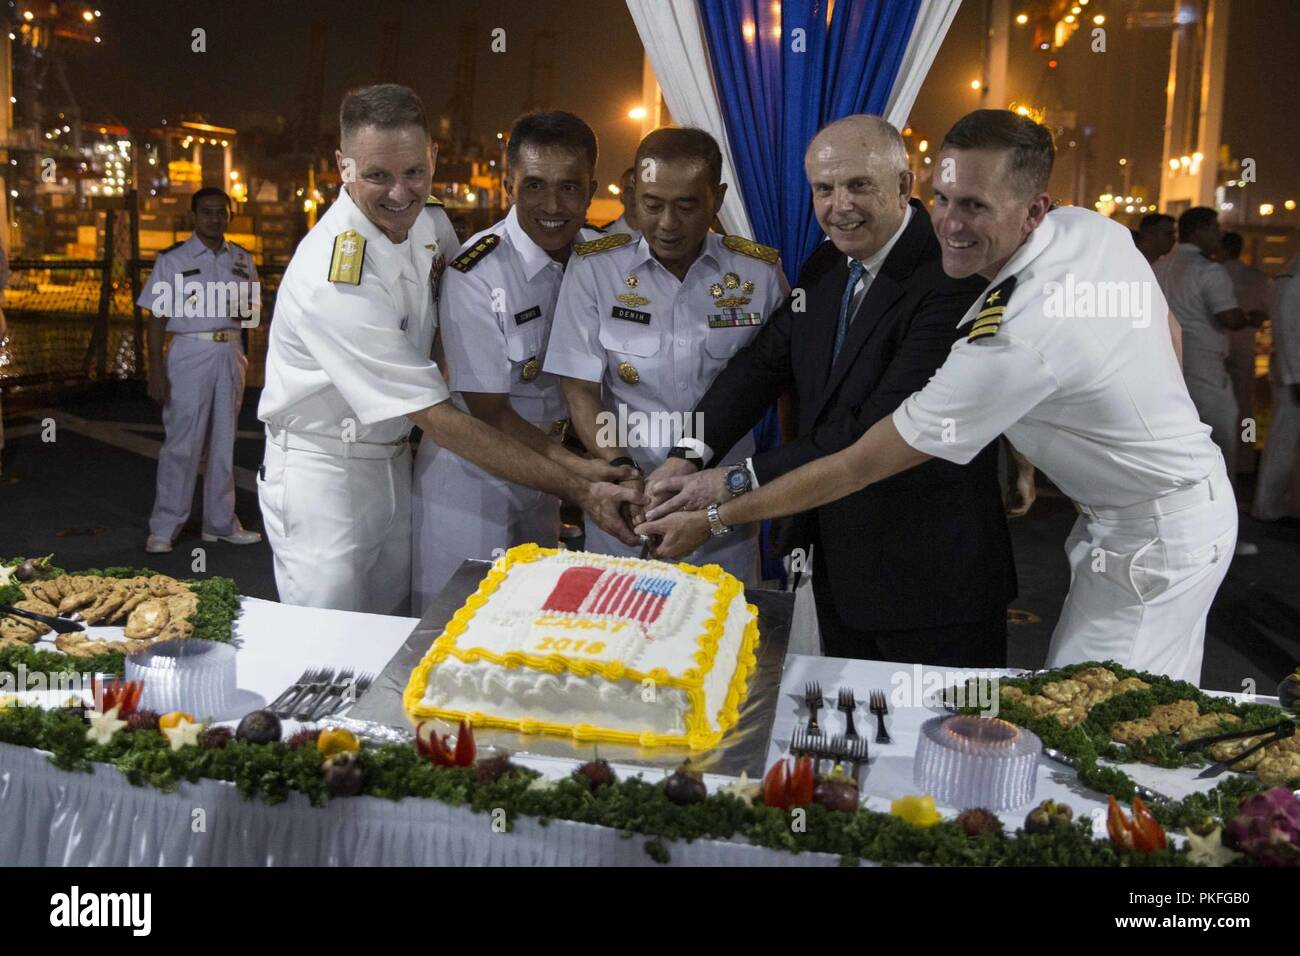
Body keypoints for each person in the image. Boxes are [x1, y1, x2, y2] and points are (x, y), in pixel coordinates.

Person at [640, 109, 1235, 685]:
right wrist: (1139, 421)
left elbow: (860, 456)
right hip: (1125, 517)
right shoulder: (1086, 229)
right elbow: (764, 363)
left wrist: (716, 510)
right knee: (1118, 703)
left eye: (975, 206)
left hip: (1089, 544)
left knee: (1096, 719)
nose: (950, 223)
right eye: (947, 199)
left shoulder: (996, 322)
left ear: (1033, 211)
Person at [642, 115, 1017, 666]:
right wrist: (687, 456)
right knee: (851, 743)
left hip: (934, 588)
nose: (840, 205)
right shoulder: (827, 261)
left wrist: (728, 486)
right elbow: (760, 367)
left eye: (858, 185)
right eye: (824, 189)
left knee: (940, 745)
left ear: (902, 186)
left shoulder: (950, 279)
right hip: (841, 570)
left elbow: (867, 429)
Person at [257, 84, 643, 615]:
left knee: (395, 633)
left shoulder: (431, 222)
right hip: (325, 471)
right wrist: (581, 486)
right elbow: (442, 417)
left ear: (432, 159)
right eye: (377, 176)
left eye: (414, 172)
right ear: (343, 167)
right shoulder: (336, 276)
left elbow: (456, 328)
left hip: (394, 456)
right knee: (332, 638)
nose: (399, 193)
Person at [544, 127, 787, 584]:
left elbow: (784, 380)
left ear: (717, 198)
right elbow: (579, 389)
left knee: (716, 640)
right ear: (633, 193)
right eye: (652, 204)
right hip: (627, 509)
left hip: (722, 514)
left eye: (687, 205)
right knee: (615, 640)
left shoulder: (757, 272)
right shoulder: (596, 268)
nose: (667, 224)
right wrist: (620, 468)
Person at [411, 111, 625, 611]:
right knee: (458, 628)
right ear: (508, 184)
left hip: (548, 475)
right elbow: (491, 412)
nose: (552, 206)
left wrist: (606, 463)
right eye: (533, 186)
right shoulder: (477, 272)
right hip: (473, 476)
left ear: (591, 188)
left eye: (570, 188)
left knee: (531, 622)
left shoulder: (605, 260)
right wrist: (584, 473)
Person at [140, 187, 261, 554]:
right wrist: (156, 371)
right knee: (182, 442)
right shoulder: (173, 260)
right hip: (190, 350)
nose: (214, 218)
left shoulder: (241, 260)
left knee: (224, 443)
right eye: (207, 212)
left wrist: (246, 362)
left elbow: (251, 317)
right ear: (194, 216)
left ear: (229, 215)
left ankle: (220, 523)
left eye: (221, 212)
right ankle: (164, 527)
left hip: (230, 352)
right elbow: (156, 320)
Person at [1154, 207, 1256, 556]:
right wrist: (1250, 316)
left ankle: (1176, 531)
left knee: (1173, 452)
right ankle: (1220, 537)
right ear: (1201, 230)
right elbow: (1228, 316)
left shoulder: (1160, 266)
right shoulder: (1209, 271)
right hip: (1205, 369)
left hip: (1165, 367)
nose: (1219, 236)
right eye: (1215, 229)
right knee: (1221, 451)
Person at [1217, 231, 1271, 478]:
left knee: (1213, 406)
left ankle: (1219, 453)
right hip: (1245, 345)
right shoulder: (1257, 277)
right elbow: (1265, 312)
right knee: (1245, 406)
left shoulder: (1214, 272)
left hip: (1217, 345)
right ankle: (1245, 457)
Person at [1253, 253, 1300, 521]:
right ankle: (1268, 505)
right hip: (1293, 374)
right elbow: (1287, 331)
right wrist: (1295, 375)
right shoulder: (1293, 277)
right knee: (1283, 440)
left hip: (1291, 370)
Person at [605, 167, 639, 235]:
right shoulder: (604, 237)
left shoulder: (661, 239)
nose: (634, 195)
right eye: (629, 190)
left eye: (639, 189)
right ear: (621, 196)